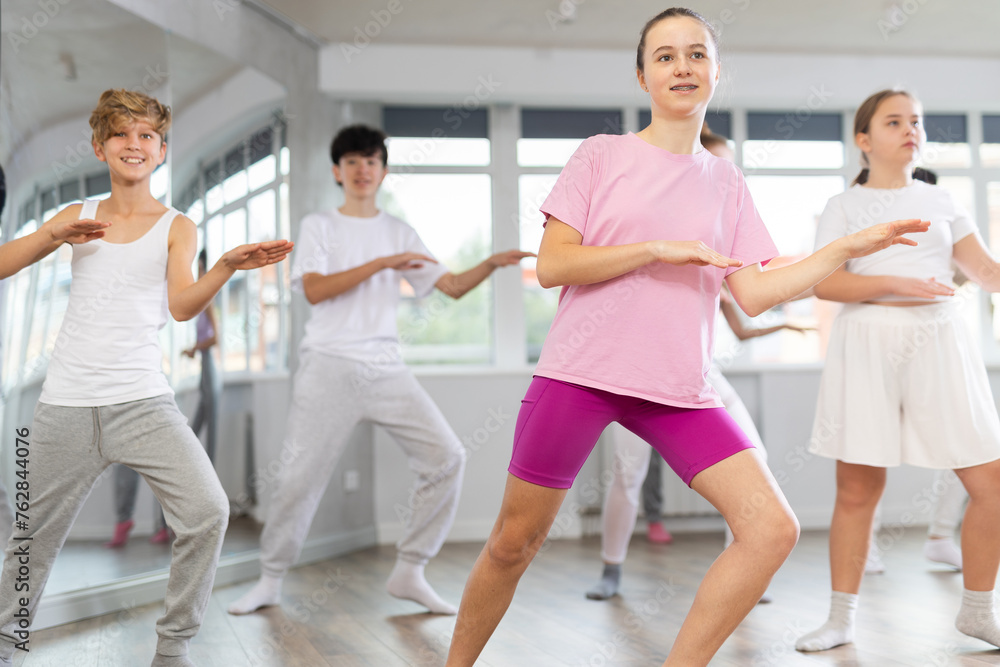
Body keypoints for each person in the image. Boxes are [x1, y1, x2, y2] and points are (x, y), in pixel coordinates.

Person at [443, 10, 929, 666]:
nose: (682, 67)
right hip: (581, 372)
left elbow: (755, 290)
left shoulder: (726, 182)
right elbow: (555, 264)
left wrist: (842, 248)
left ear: (716, 72)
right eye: (666, 56)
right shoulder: (600, 154)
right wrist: (654, 249)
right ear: (643, 75)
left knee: (771, 529)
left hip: (680, 386)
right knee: (512, 542)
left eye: (696, 54)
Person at [0, 88, 292, 667]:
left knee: (208, 511)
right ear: (99, 147)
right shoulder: (76, 217)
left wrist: (228, 266)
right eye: (121, 134)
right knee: (30, 542)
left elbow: (182, 305)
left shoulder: (178, 226)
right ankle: (7, 645)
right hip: (64, 407)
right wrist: (51, 236)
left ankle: (173, 650)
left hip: (143, 404)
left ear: (160, 151)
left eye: (146, 136)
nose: (133, 144)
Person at [227, 124, 534, 617]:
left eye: (371, 161)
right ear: (337, 172)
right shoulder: (320, 225)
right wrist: (384, 262)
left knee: (446, 457)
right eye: (352, 162)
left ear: (383, 170)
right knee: (299, 478)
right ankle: (270, 578)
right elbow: (316, 290)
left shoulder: (400, 231)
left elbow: (449, 286)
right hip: (328, 364)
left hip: (385, 368)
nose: (362, 170)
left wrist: (491, 264)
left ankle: (410, 569)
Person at [795, 89, 1000, 654]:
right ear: (864, 140)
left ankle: (980, 611)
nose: (911, 129)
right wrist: (893, 282)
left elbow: (985, 272)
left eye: (916, 121)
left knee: (992, 483)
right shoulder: (843, 206)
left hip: (941, 342)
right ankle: (840, 619)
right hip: (867, 344)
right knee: (858, 489)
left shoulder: (943, 198)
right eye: (894, 121)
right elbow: (825, 283)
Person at [589, 129, 813, 601]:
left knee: (756, 455)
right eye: (720, 164)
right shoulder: (653, 226)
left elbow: (747, 312)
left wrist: (790, 322)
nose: (729, 176)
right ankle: (611, 568)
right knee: (627, 475)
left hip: (702, 373)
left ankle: (749, 564)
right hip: (639, 373)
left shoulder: (724, 236)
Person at [105, 249, 220, 549]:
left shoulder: (202, 300)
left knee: (193, 449)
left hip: (200, 376)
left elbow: (214, 336)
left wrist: (194, 349)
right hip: (157, 382)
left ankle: (172, 523)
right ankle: (150, 523)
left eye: (200, 267)